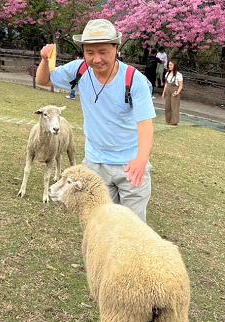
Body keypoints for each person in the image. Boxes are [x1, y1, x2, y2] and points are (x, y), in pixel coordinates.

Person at [37, 19, 156, 222]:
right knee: (101, 224)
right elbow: (43, 80)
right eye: (90, 52)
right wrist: (44, 59)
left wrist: (141, 160)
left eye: (103, 52)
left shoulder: (133, 80)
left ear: (116, 48)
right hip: (95, 164)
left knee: (132, 228)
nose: (96, 59)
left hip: (130, 166)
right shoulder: (79, 70)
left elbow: (145, 123)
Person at [162, 60, 184, 125]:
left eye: (171, 65)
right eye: (169, 65)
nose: (169, 66)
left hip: (175, 90)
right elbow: (166, 84)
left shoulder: (179, 75)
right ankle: (168, 120)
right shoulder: (167, 73)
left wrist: (177, 92)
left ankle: (174, 121)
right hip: (168, 90)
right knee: (167, 106)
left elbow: (181, 85)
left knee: (174, 106)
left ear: (174, 66)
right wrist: (163, 92)